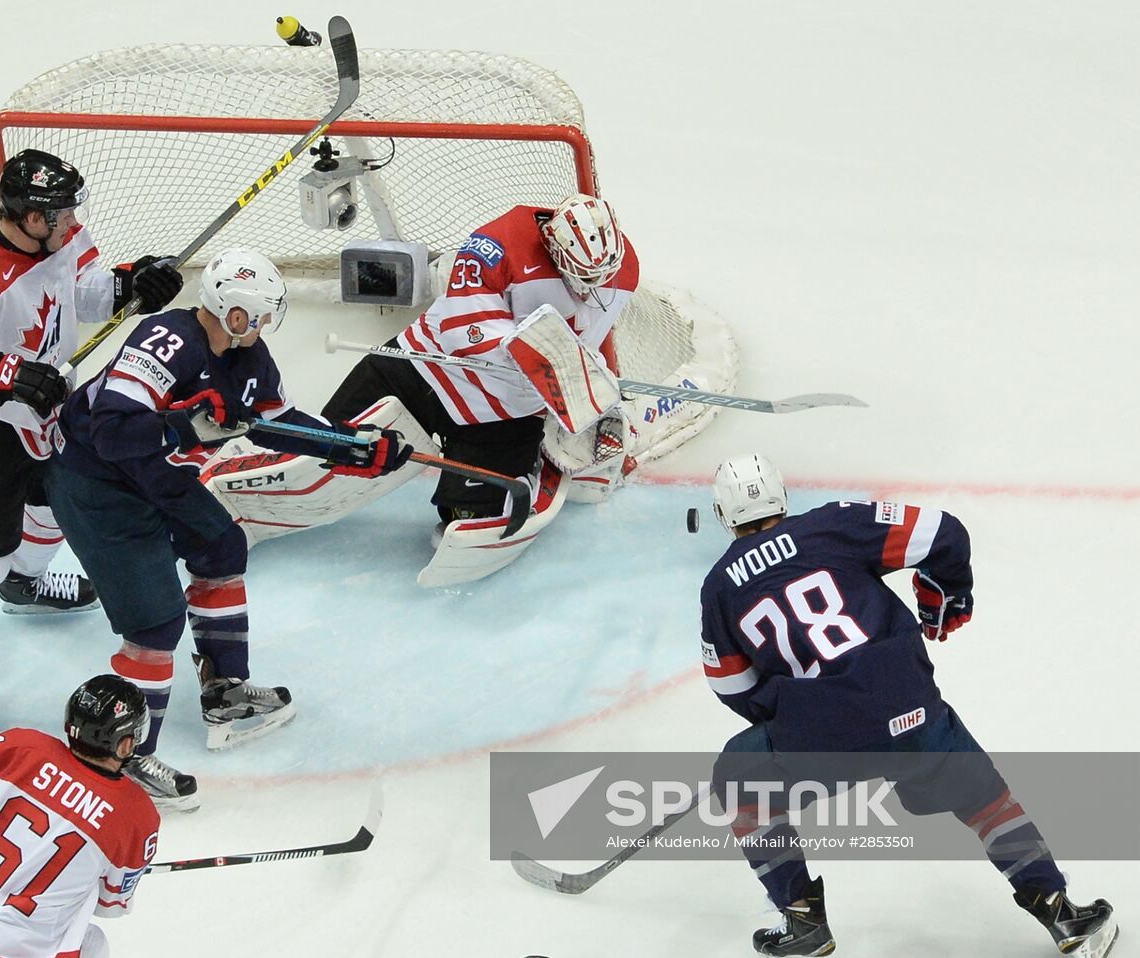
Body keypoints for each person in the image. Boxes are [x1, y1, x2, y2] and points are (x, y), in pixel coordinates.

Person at [698, 453, 1117, 958]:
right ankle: (1062, 913)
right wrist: (942, 597)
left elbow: (733, 688)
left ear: (724, 516)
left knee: (738, 780)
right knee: (985, 799)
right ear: (782, 498)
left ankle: (804, 924)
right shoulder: (833, 524)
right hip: (908, 709)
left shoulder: (720, 586)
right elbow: (945, 533)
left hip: (816, 733)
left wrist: (794, 714)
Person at [46, 247, 411, 810]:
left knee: (222, 545)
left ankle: (225, 689)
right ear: (233, 313)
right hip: (98, 485)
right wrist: (181, 424)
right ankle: (128, 754)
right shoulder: (165, 342)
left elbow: (276, 423)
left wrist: (352, 446)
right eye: (259, 315)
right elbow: (113, 433)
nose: (265, 325)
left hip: (158, 477)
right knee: (155, 625)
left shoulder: (250, 356)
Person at [0, 148, 183, 735]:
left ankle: (26, 581)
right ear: (30, 217)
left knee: (56, 500)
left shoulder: (59, 237)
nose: (70, 221)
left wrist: (133, 285)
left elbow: (84, 293)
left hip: (42, 410)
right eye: (58, 214)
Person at [322, 193, 639, 533]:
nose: (589, 289)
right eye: (580, 276)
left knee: (470, 517)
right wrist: (539, 356)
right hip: (431, 365)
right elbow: (462, 331)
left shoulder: (626, 268)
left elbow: (580, 344)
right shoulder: (496, 244)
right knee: (323, 440)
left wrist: (579, 393)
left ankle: (507, 475)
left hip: (504, 408)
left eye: (600, 276)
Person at [0, 674, 159, 958]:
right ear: (125, 744)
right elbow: (111, 905)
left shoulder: (20, 746)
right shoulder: (135, 814)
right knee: (92, 945)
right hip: (18, 949)